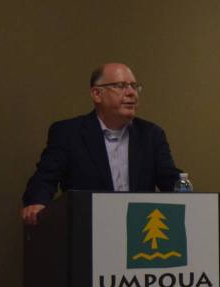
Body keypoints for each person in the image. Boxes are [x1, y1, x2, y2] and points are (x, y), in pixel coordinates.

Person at [21, 63, 181, 225]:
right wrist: (37, 202)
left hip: (138, 230)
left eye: (134, 86)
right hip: (88, 226)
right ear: (97, 94)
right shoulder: (69, 133)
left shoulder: (151, 135)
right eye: (121, 86)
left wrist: (186, 192)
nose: (131, 93)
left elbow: (170, 180)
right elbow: (45, 178)